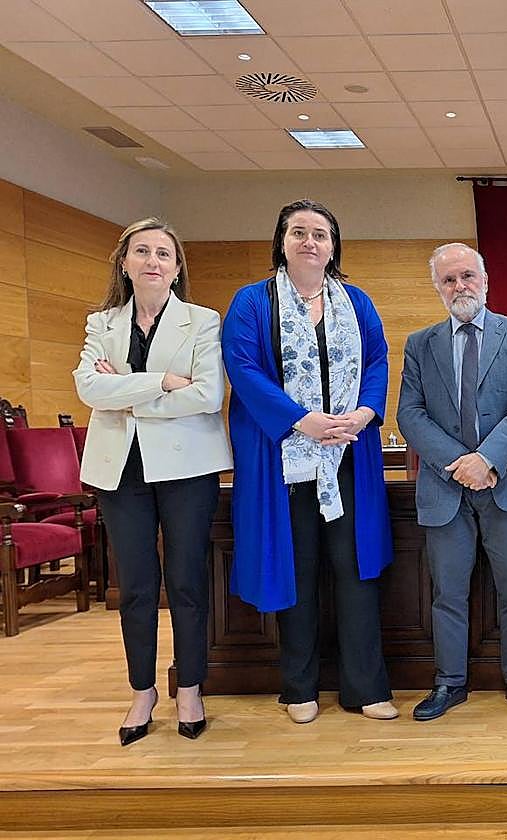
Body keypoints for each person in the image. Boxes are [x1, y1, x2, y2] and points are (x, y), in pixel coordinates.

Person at [222, 199, 397, 725]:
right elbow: (243, 369)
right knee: (295, 568)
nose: (310, 242)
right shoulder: (253, 302)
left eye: (320, 234)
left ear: (333, 247)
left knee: (354, 569)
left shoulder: (356, 301)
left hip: (349, 455)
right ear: (281, 242)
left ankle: (366, 688)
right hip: (285, 460)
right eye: (298, 232)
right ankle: (299, 688)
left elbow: (378, 360)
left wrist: (365, 412)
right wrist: (302, 420)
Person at [73, 217, 232, 745]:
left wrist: (125, 390)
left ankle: (190, 686)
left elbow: (207, 396)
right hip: (120, 471)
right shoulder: (103, 323)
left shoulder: (202, 320)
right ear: (125, 263)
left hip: (188, 470)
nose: (153, 261)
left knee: (186, 581)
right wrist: (162, 381)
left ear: (177, 267)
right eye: (142, 251)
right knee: (137, 587)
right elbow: (89, 389)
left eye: (164, 253)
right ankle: (142, 690)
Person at [397, 243, 507, 720]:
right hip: (445, 488)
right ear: (437, 288)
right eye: (449, 280)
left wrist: (487, 460)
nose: (459, 286)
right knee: (447, 593)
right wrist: (459, 463)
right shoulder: (420, 344)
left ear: (485, 280)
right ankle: (449, 683)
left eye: (467, 276)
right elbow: (410, 414)